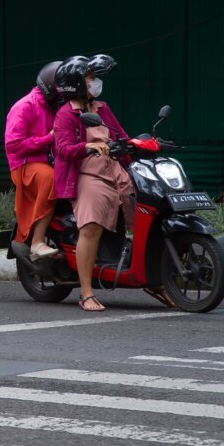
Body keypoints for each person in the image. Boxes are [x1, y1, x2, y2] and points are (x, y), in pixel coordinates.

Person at [53, 54, 132, 312]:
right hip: (87, 175)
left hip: (114, 172)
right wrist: (88, 146)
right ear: (76, 83)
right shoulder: (66, 114)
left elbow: (121, 135)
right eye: (90, 78)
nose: (95, 82)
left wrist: (136, 145)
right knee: (91, 227)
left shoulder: (102, 108)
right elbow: (64, 149)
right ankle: (86, 292)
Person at [4, 61, 61, 260]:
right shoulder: (25, 106)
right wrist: (49, 138)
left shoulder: (53, 107)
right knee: (50, 178)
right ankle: (37, 241)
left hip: (48, 161)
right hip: (24, 165)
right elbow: (14, 145)